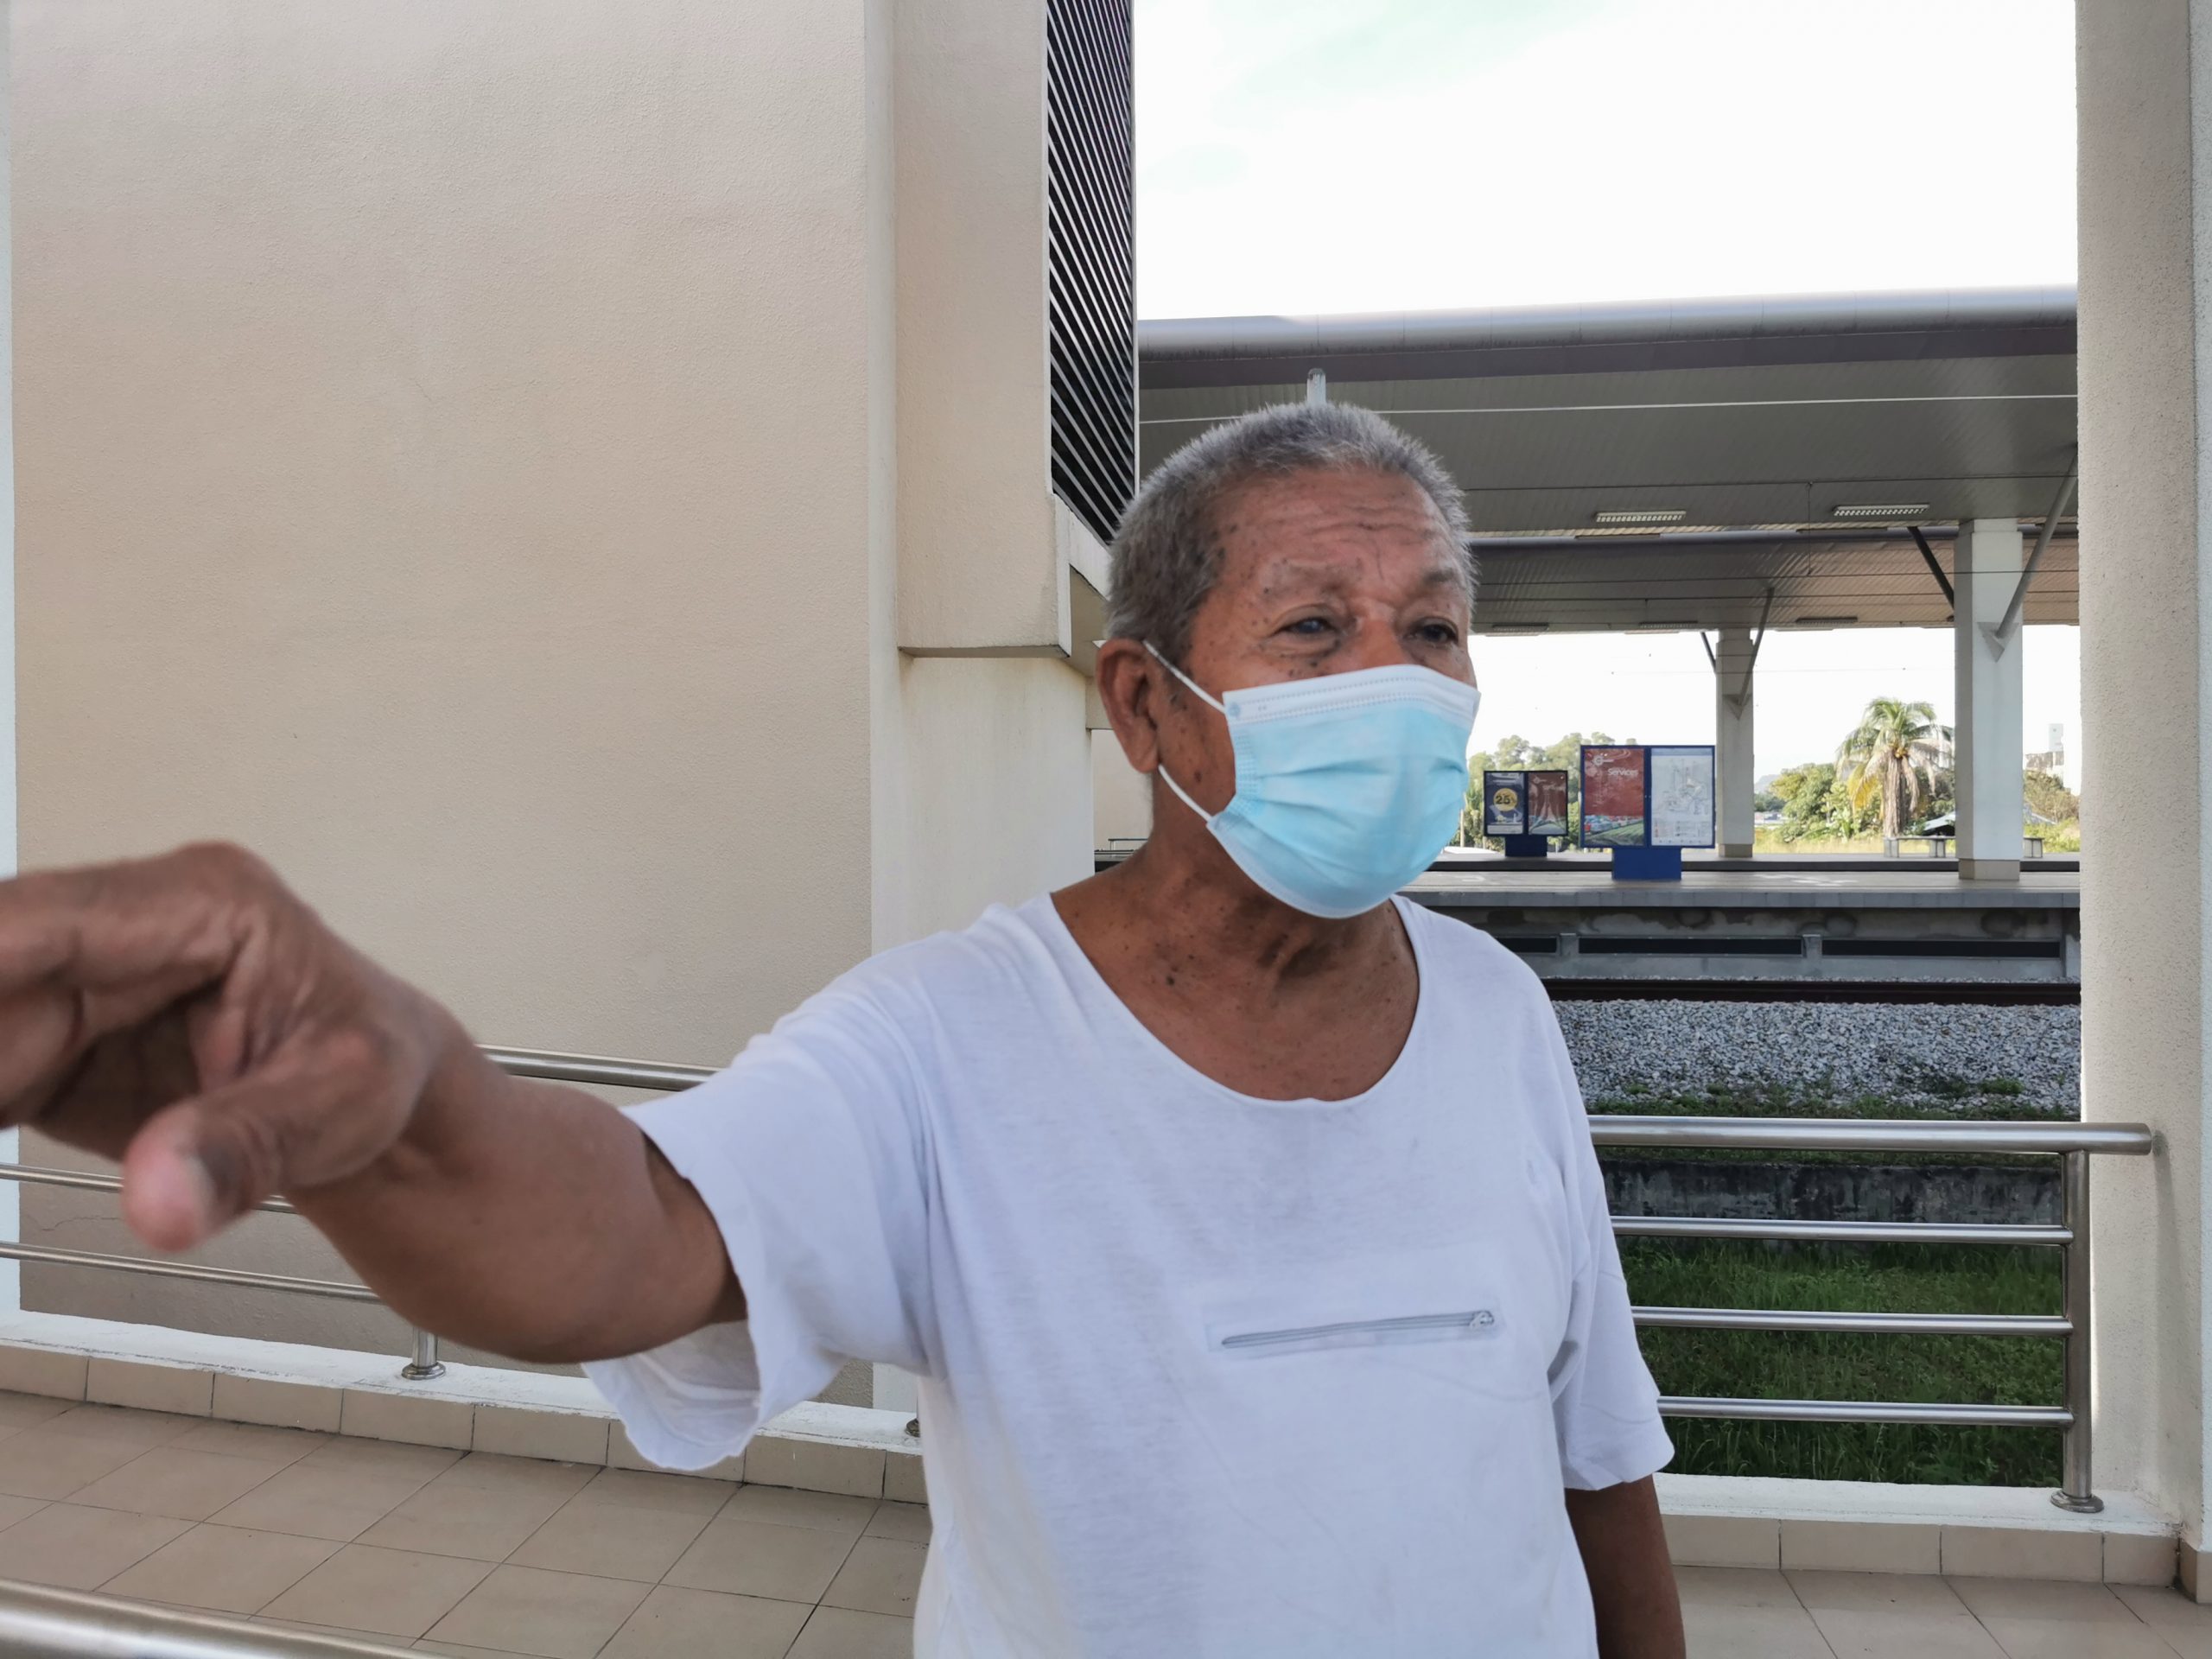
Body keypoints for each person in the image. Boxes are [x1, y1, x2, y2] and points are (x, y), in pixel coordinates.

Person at [0, 403, 1684, 1657]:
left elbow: (1592, 1449)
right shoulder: (955, 1037)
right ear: (1143, 702)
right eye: (1314, 626)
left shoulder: (1497, 1015)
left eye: (1437, 626)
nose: (1394, 681)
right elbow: (628, 1237)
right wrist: (412, 1112)